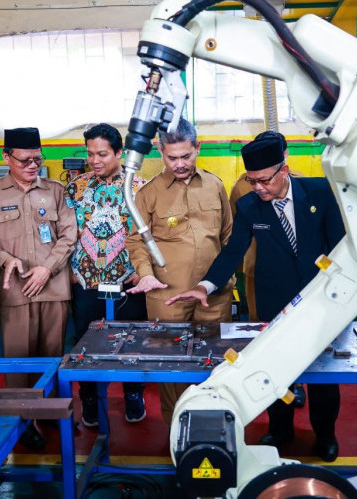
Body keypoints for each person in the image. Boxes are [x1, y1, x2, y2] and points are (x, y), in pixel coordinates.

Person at [166, 134, 345, 462]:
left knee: (322, 373)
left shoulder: (320, 192)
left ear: (284, 170)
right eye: (252, 180)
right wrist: (205, 285)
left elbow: (338, 243)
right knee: (275, 367)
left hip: (320, 297)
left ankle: (326, 433)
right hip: (273, 297)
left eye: (264, 180)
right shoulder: (249, 205)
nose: (258, 188)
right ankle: (280, 429)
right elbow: (233, 249)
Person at [126, 118, 234, 425]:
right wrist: (145, 272)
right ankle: (176, 427)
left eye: (186, 156)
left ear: (198, 147)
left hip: (214, 296)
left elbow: (228, 236)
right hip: (167, 295)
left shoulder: (215, 185)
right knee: (170, 365)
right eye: (171, 157)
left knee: (215, 360)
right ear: (160, 151)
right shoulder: (148, 193)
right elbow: (136, 239)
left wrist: (228, 279)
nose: (179, 164)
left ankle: (214, 421)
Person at [0, 127, 76, 449]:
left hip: (54, 288)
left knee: (52, 356)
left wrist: (47, 269)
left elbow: (68, 235)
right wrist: (6, 259)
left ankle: (52, 412)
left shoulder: (55, 191)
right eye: (25, 160)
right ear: (7, 157)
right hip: (15, 291)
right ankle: (24, 420)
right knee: (18, 360)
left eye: (38, 158)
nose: (33, 165)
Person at [66, 123, 148, 427]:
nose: (95, 160)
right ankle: (89, 397)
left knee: (131, 338)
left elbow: (149, 232)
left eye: (102, 154)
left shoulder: (139, 186)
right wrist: (71, 268)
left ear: (119, 152)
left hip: (127, 280)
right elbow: (66, 233)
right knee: (86, 340)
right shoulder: (77, 187)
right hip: (86, 280)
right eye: (90, 154)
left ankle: (132, 393)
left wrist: (143, 271)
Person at [229, 130, 306, 409]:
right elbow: (234, 234)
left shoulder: (302, 185)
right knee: (265, 332)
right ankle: (276, 389)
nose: (259, 185)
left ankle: (299, 380)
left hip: (299, 275)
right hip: (257, 270)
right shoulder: (242, 188)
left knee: (304, 333)